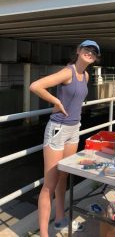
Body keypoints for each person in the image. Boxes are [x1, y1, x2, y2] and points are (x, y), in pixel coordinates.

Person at [30, 40, 100, 237]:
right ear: (78, 51)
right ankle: (44, 233)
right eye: (86, 49)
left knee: (64, 177)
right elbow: (36, 86)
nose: (89, 53)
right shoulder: (68, 72)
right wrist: (56, 101)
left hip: (73, 129)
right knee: (50, 184)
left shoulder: (85, 75)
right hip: (58, 129)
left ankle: (60, 219)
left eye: (94, 52)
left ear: (95, 58)